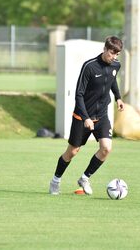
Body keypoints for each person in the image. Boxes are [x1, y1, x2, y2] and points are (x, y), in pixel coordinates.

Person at [49, 36, 125, 195]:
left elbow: (112, 80)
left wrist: (118, 98)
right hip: (82, 117)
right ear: (105, 49)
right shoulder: (89, 66)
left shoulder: (115, 65)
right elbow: (79, 95)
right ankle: (55, 180)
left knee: (106, 148)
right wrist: (86, 118)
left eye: (117, 54)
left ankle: (84, 178)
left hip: (101, 116)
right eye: (112, 53)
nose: (114, 57)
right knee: (72, 152)